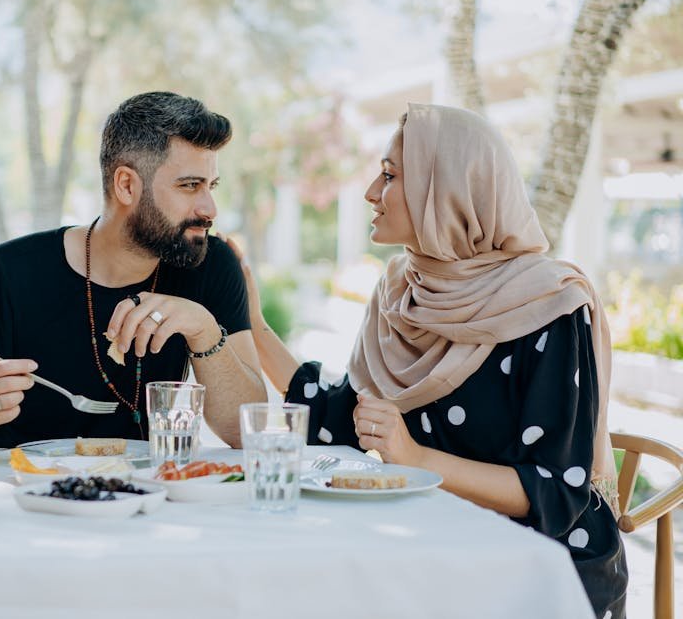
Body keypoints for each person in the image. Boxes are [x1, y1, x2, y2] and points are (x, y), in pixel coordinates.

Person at [230, 103, 627, 618]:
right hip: (439, 546)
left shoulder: (547, 304)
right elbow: (336, 422)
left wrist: (415, 458)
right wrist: (253, 323)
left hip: (547, 567)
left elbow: (556, 492)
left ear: (446, 191)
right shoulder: (402, 293)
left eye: (390, 175)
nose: (372, 192)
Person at [0, 91, 265, 453]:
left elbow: (248, 433)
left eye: (211, 186)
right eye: (190, 186)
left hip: (152, 501)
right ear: (126, 185)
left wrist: (205, 331)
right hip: (24, 500)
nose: (210, 208)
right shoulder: (8, 271)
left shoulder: (210, 261)